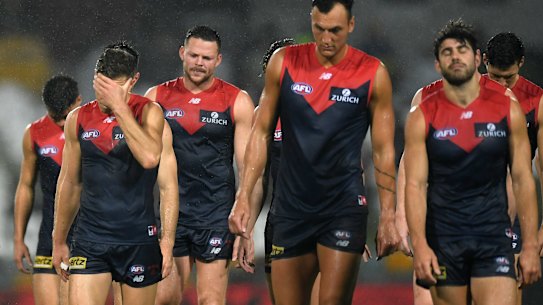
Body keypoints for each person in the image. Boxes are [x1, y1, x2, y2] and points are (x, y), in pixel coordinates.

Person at [229, 1, 401, 304]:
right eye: (319, 29)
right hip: (290, 211)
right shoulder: (283, 64)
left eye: (334, 30)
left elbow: (384, 150)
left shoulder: (373, 73)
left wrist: (388, 214)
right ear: (311, 22)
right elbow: (260, 133)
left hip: (342, 208)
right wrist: (243, 198)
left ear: (350, 25)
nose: (326, 38)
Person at [403, 20, 541, 305]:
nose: (455, 58)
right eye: (447, 53)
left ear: (477, 59)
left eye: (462, 51)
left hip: (493, 235)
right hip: (444, 235)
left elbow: (522, 177)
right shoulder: (423, 112)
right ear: (438, 64)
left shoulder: (509, 108)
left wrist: (529, 243)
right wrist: (416, 239)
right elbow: (414, 182)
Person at [52, 41, 179, 305]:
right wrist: (59, 239)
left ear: (134, 81)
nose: (108, 94)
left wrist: (166, 242)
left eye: (117, 87)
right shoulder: (77, 119)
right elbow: (70, 183)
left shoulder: (149, 113)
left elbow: (152, 163)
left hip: (138, 240)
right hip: (91, 240)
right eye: (103, 85)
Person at [144, 25, 258, 305]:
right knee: (164, 299)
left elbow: (248, 169)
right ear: (182, 53)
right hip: (171, 216)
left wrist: (246, 227)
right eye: (194, 55)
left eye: (206, 58)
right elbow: (142, 162)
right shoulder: (156, 98)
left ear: (218, 60)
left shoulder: (237, 101)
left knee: (210, 300)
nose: (199, 63)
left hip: (216, 216)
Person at [13, 75, 80, 305]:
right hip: (48, 237)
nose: (62, 124)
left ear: (78, 102)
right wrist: (18, 238)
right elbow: (25, 186)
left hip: (87, 237)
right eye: (56, 118)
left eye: (66, 117)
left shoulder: (93, 129)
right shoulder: (34, 133)